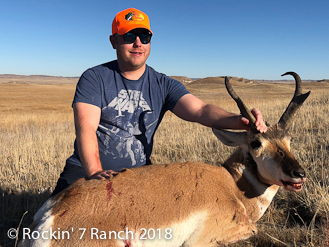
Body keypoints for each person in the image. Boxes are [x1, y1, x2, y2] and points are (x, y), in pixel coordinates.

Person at [51, 8, 267, 196]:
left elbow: (201, 110)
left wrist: (242, 121)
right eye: (129, 36)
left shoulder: (163, 84)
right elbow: (86, 128)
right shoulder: (94, 78)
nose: (138, 43)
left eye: (144, 37)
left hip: (137, 174)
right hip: (85, 170)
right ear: (113, 41)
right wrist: (95, 173)